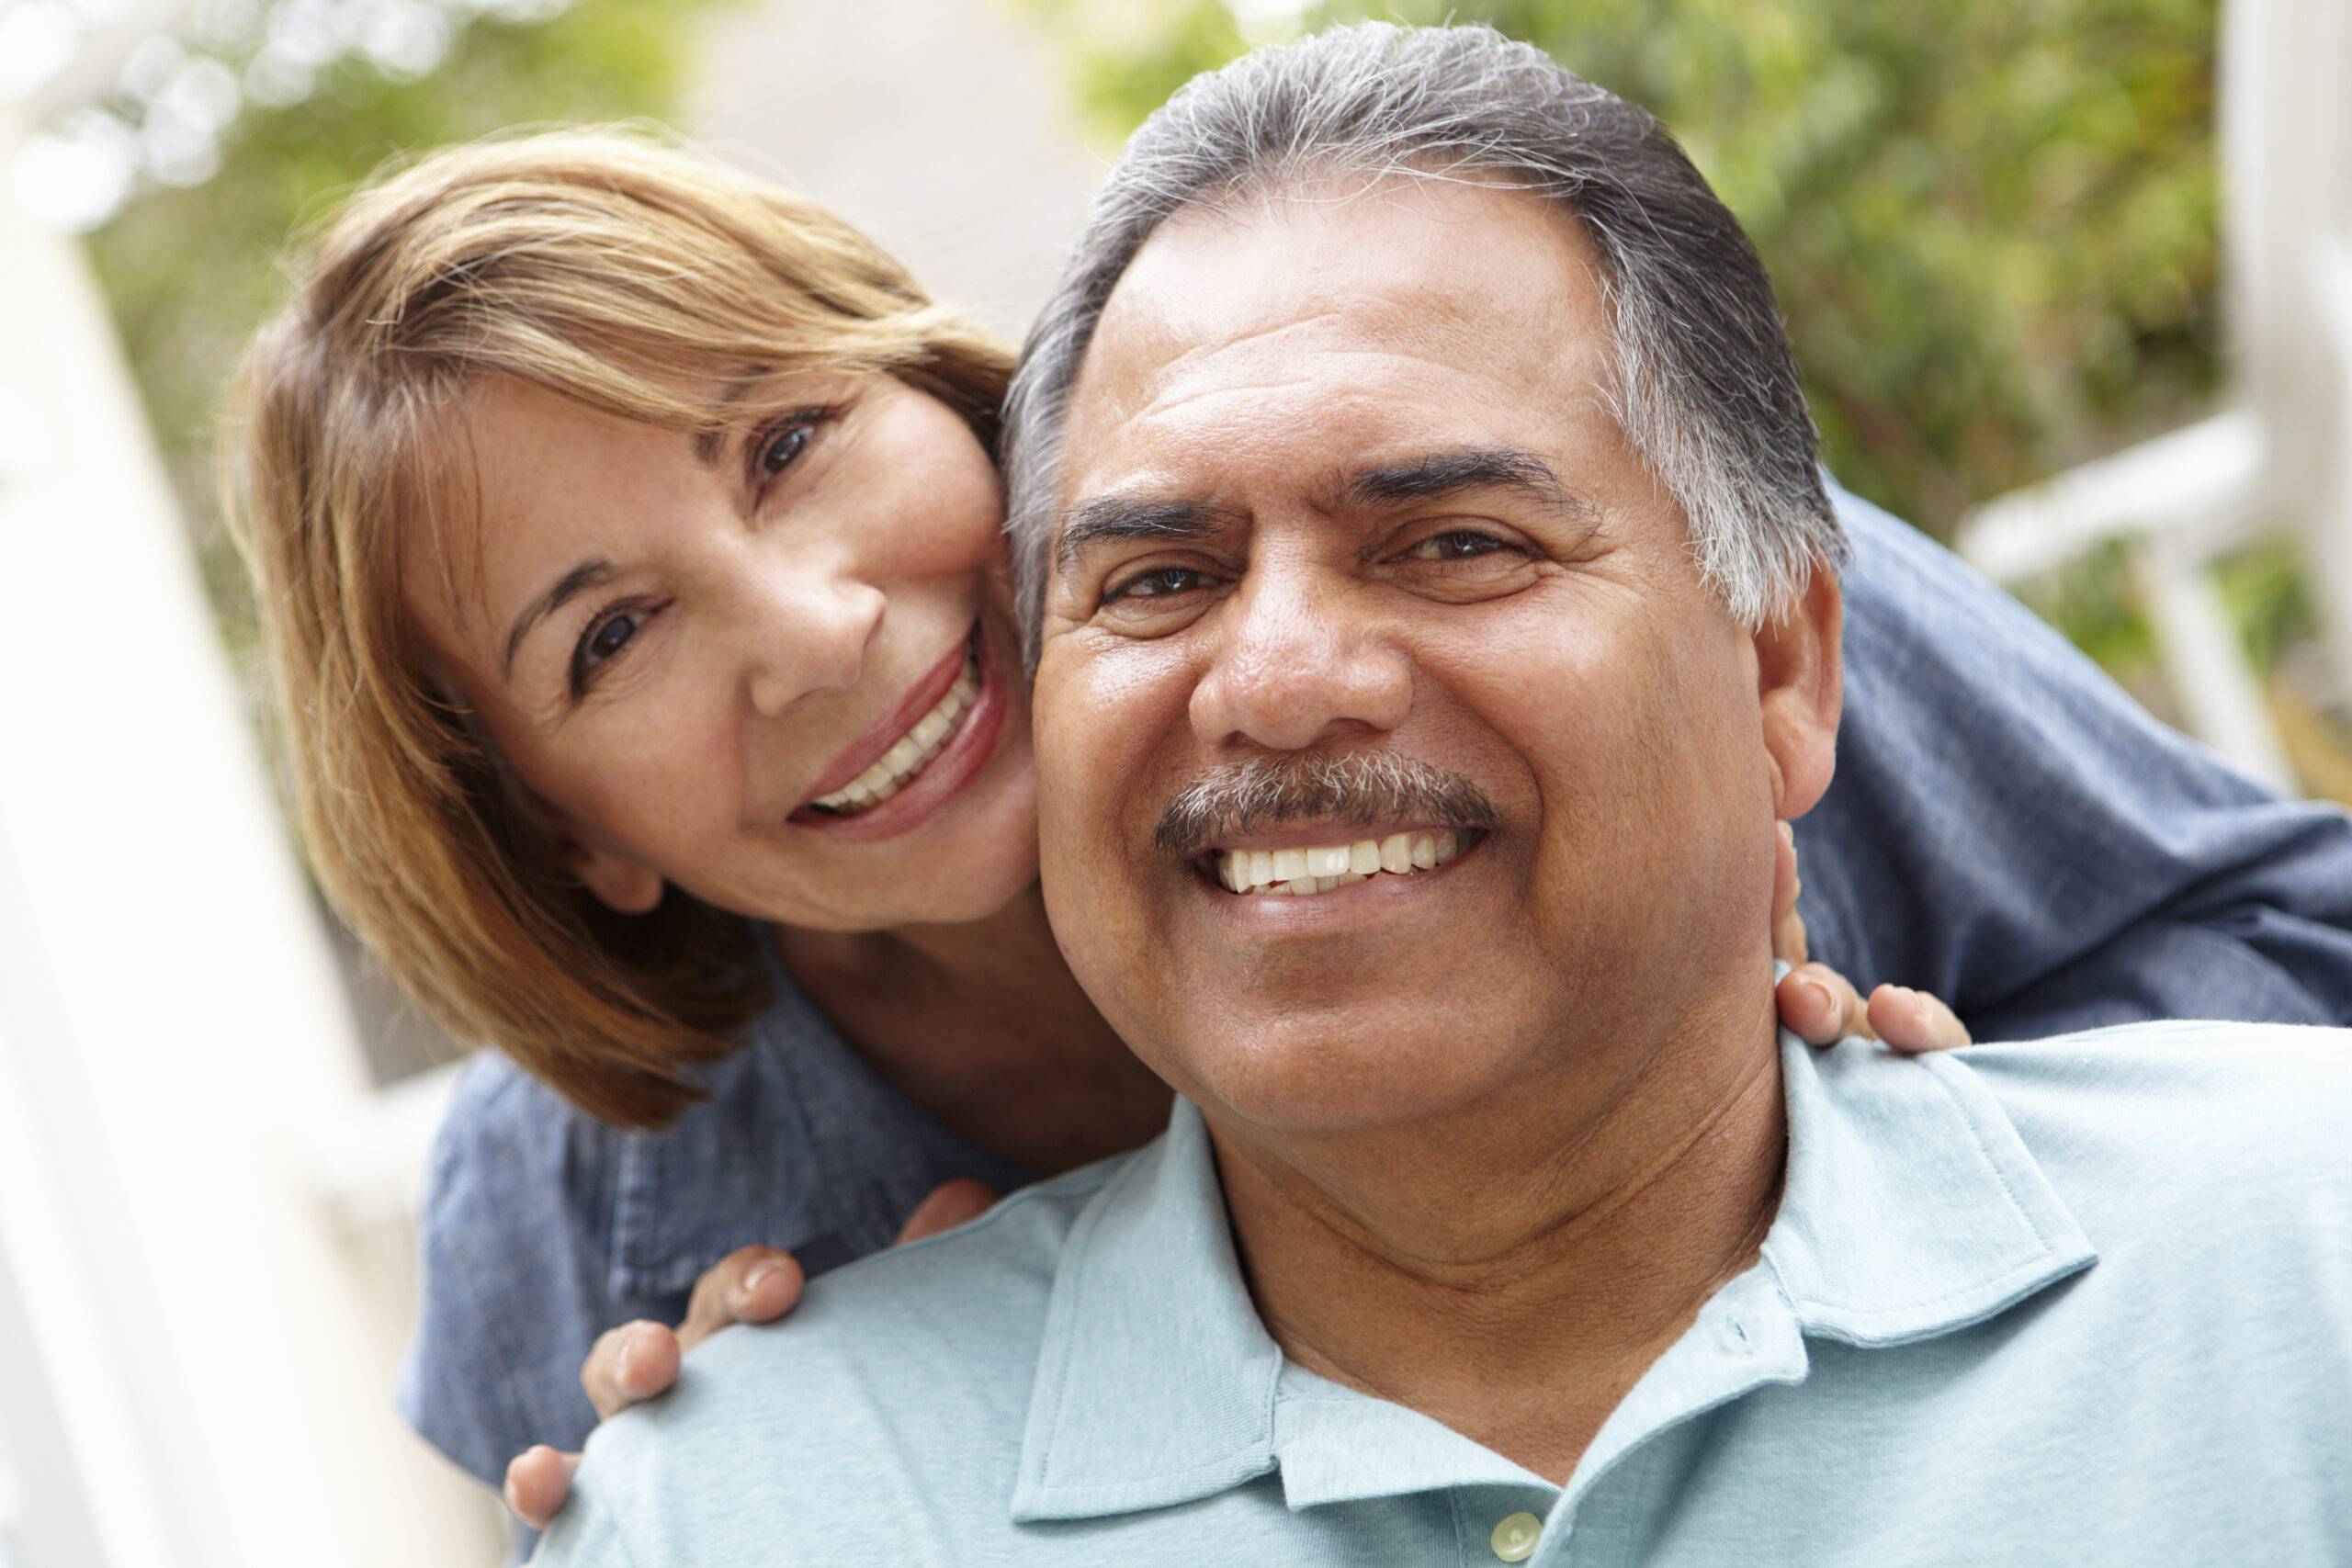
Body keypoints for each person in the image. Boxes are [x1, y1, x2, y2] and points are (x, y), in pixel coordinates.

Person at [219, 86, 2350, 1563]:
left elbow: (2281, 948)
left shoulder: (1623, 615)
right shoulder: (580, 1221)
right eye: (607, 637)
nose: (812, 630)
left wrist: (1972, 1154)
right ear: (562, 823)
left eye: (785, 445)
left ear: (949, 396)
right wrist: (822, 1451)